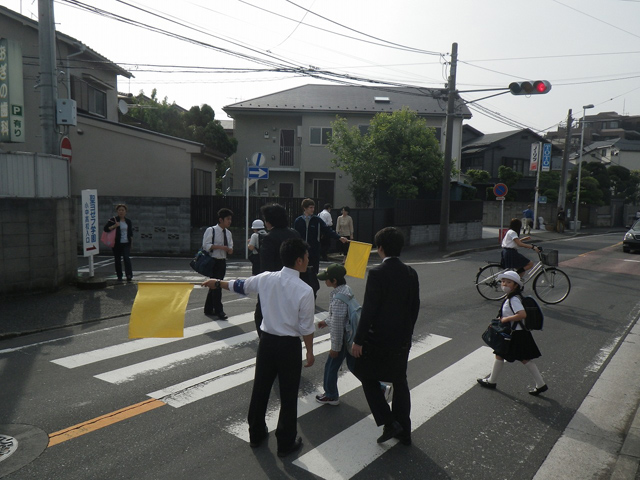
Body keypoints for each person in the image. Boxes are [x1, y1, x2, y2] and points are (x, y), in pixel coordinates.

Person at [202, 238, 315, 458]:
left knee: (261, 388)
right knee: (288, 394)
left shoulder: (266, 278)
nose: (308, 261)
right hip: (289, 346)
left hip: (267, 342)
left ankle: (256, 433)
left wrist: (217, 282)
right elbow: (306, 327)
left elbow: (240, 285)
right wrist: (309, 351)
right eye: (307, 257)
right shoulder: (305, 290)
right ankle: (285, 442)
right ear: (299, 260)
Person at [351, 227, 420, 446]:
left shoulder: (377, 273)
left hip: (378, 340)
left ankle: (389, 421)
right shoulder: (411, 273)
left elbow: (369, 310)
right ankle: (404, 432)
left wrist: (358, 340)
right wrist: (407, 333)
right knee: (400, 382)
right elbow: (414, 307)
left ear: (379, 248)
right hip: (402, 339)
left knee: (365, 374)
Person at [477, 271, 548, 395]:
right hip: (517, 333)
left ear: (515, 285)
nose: (504, 284)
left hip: (517, 334)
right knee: (504, 355)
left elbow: (522, 314)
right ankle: (540, 384)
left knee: (521, 358)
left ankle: (492, 381)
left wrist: (505, 319)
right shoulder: (512, 297)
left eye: (508, 282)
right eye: (503, 281)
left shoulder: (514, 299)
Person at [254, 204, 300, 335]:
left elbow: (265, 268)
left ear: (269, 221)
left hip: (274, 286)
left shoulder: (269, 238)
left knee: (263, 318)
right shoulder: (295, 234)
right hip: (294, 285)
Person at [315, 263, 357, 406]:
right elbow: (339, 316)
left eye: (326, 279)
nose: (324, 281)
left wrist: (335, 347)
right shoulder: (346, 289)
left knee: (331, 366)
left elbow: (338, 325)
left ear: (334, 281)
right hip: (350, 335)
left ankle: (331, 395)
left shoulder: (338, 298)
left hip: (343, 338)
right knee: (355, 366)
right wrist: (326, 321)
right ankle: (379, 387)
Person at [294, 199, 348, 297]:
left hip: (314, 251)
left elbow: (327, 230)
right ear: (305, 208)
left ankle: (313, 293)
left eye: (313, 207)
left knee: (313, 273)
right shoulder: (298, 221)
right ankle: (300, 294)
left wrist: (339, 237)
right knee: (301, 273)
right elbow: (295, 235)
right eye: (310, 207)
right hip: (301, 251)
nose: (312, 209)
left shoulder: (317, 220)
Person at [203, 208, 233, 320]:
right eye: (227, 219)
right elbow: (206, 245)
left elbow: (231, 248)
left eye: (230, 219)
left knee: (215, 285)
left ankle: (208, 308)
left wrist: (229, 250)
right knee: (217, 285)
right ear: (221, 219)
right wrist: (221, 247)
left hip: (222, 261)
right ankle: (219, 310)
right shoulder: (211, 230)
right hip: (213, 261)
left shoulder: (228, 233)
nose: (229, 221)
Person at [103, 204, 133, 282]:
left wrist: (131, 243)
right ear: (117, 211)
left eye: (123, 210)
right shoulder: (113, 220)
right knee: (117, 259)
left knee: (126, 258)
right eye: (119, 210)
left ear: (126, 212)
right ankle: (119, 275)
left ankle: (129, 275)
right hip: (116, 243)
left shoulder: (128, 221)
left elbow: (130, 233)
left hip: (126, 243)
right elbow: (106, 229)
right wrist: (114, 226)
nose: (121, 212)